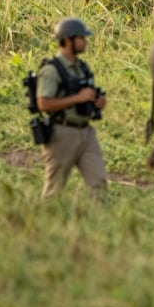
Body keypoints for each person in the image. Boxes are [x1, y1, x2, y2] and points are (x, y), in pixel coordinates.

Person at [36, 17, 107, 199]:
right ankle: (45, 216)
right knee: (54, 190)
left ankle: (96, 216)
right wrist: (78, 98)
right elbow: (44, 104)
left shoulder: (82, 67)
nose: (85, 41)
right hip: (62, 133)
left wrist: (97, 101)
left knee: (98, 182)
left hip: (86, 132)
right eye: (81, 38)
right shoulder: (51, 70)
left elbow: (87, 95)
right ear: (68, 40)